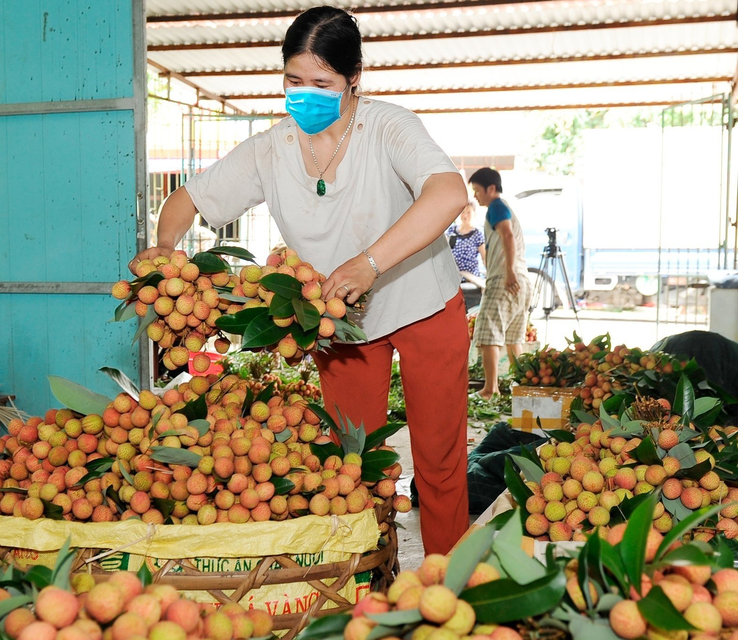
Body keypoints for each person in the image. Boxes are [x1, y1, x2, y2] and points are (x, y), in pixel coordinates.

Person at [129, 6, 470, 555]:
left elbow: (449, 193)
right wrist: (166, 251)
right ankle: (364, 577)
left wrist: (369, 263)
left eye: (321, 82)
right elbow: (186, 199)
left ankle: (448, 582)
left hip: (424, 305)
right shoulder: (273, 148)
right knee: (351, 463)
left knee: (438, 459)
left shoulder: (389, 127)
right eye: (293, 80)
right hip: (341, 320)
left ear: (354, 77)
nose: (304, 93)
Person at [469, 167, 530, 400]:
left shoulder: (496, 206)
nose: (475, 195)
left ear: (491, 189)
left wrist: (508, 272)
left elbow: (507, 235)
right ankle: (522, 386)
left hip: (506, 280)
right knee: (513, 337)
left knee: (487, 333)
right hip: (520, 280)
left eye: (477, 190)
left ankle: (490, 388)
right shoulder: (503, 207)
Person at [446, 199, 486, 281]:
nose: (465, 215)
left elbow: (484, 258)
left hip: (470, 278)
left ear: (474, 213)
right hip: (452, 276)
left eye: (468, 212)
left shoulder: (477, 234)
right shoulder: (451, 230)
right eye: (463, 212)